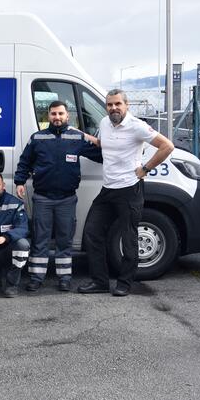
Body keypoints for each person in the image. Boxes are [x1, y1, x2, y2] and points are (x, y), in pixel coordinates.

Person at [78, 89, 174, 297]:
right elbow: (105, 145)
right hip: (108, 189)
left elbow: (167, 146)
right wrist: (84, 137)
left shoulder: (137, 126)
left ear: (126, 105)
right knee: (92, 233)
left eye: (117, 104)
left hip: (130, 189)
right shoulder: (104, 123)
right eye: (110, 104)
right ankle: (100, 281)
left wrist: (146, 168)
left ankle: (124, 283)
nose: (113, 108)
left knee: (128, 237)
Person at [14, 100, 102, 292]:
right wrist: (19, 181)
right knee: (40, 239)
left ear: (67, 116)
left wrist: (115, 145)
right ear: (48, 116)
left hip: (67, 198)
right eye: (53, 114)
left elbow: (101, 155)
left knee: (65, 239)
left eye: (61, 114)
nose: (57, 117)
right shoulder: (37, 138)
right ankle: (36, 277)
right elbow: (24, 162)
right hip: (43, 198)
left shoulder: (77, 137)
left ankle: (64, 278)